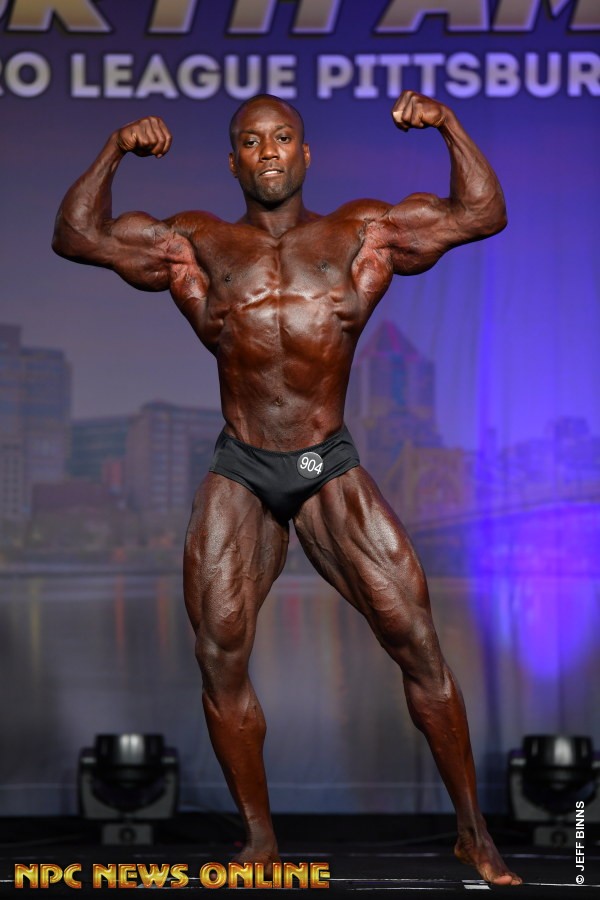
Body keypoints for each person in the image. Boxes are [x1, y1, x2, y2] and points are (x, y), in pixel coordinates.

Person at [52, 91, 521, 886]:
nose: (267, 151)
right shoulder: (197, 242)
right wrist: (115, 148)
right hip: (242, 465)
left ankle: (474, 834)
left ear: (305, 155)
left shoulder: (363, 233)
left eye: (281, 139)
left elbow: (482, 213)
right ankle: (260, 841)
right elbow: (76, 235)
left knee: (418, 644)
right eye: (251, 141)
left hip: (323, 464)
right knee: (219, 655)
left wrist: (446, 126)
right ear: (234, 161)